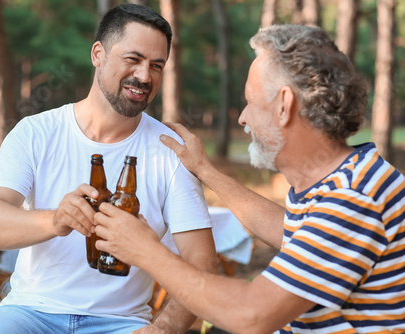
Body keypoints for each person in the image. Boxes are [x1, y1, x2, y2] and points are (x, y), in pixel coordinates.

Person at [94, 24, 405, 334]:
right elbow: (287, 230)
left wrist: (147, 251)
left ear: (284, 105)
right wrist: (207, 172)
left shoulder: (353, 197)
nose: (242, 118)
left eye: (251, 102)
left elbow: (252, 316)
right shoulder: (345, 179)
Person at [0, 4, 217, 334]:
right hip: (30, 314)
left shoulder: (171, 150)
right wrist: (55, 219)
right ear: (98, 53)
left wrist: (163, 329)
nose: (145, 76)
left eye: (157, 65)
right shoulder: (35, 132)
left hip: (122, 323)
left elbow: (203, 263)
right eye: (133, 59)